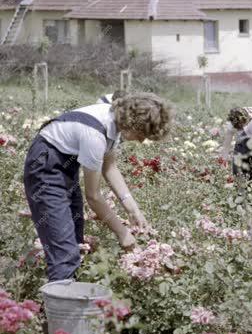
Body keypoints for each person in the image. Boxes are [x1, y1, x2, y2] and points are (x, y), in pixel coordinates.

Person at [23, 93, 174, 282]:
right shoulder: (94, 135)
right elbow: (93, 197)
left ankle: (68, 295)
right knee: (64, 253)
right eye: (142, 134)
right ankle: (59, 307)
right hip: (45, 165)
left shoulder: (114, 112)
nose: (143, 141)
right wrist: (123, 233)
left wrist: (133, 210)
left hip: (64, 164)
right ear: (132, 124)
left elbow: (109, 166)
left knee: (75, 242)